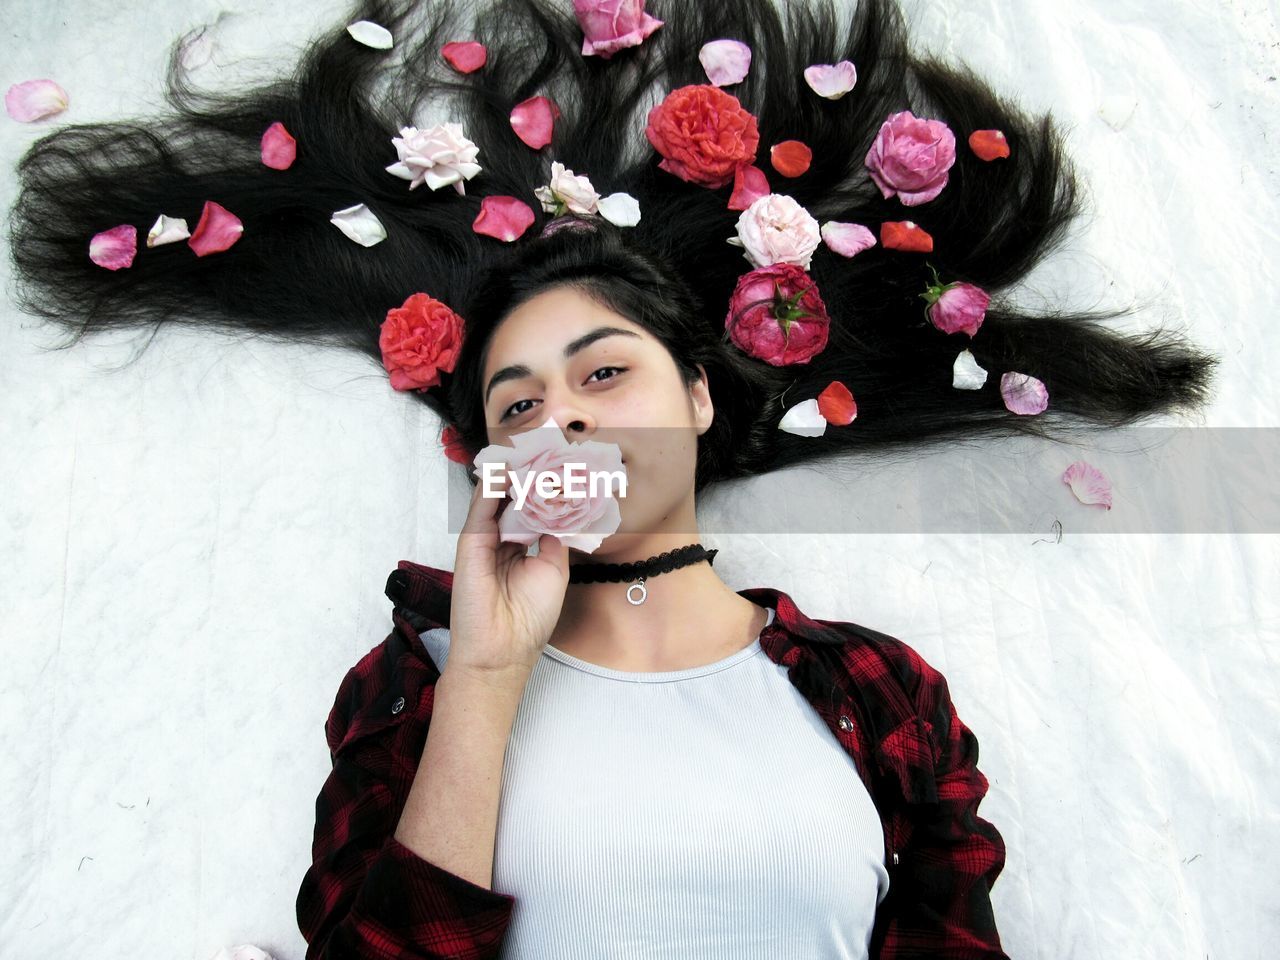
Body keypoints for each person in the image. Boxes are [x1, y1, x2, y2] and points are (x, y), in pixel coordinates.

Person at [7, 0, 1218, 956]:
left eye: (603, 375)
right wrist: (487, 667)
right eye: (519, 403)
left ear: (696, 397)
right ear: (493, 461)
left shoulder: (874, 691)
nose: (565, 423)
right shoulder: (411, 686)